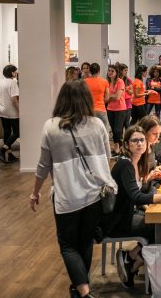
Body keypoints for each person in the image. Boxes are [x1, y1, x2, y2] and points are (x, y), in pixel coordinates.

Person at [29, 81, 117, 298]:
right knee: (85, 242)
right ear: (86, 99)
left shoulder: (51, 127)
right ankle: (80, 287)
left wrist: (35, 192)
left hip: (67, 196)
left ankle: (83, 291)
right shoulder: (97, 125)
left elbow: (43, 166)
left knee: (68, 245)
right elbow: (107, 158)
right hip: (94, 194)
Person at [102, 126, 161, 288]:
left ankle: (132, 258)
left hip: (127, 213)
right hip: (117, 221)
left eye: (142, 140)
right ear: (127, 145)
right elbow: (136, 196)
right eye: (135, 141)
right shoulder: (125, 165)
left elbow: (136, 192)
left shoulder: (135, 161)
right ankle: (133, 260)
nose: (140, 144)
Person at [0, 64, 20, 163]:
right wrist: (19, 110)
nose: (16, 72)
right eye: (15, 71)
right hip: (11, 111)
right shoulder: (13, 83)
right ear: (12, 72)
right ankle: (2, 150)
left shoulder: (0, 82)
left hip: (1, 110)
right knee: (17, 132)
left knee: (7, 132)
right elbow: (14, 100)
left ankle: (9, 155)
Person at [106, 65, 127, 155]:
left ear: (116, 72)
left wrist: (109, 97)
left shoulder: (120, 81)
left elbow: (117, 97)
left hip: (120, 109)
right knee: (114, 130)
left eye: (112, 71)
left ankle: (120, 147)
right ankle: (117, 147)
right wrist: (110, 97)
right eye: (109, 71)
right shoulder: (107, 82)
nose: (110, 72)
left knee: (118, 130)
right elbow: (106, 98)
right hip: (110, 109)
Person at [83, 63, 110, 133]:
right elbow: (107, 98)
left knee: (89, 131)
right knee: (104, 130)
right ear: (99, 71)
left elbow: (82, 96)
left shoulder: (84, 81)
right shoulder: (104, 81)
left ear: (90, 71)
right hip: (101, 109)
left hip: (88, 110)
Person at [118, 63, 134, 129]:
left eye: (127, 70)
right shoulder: (117, 80)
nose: (126, 72)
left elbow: (132, 93)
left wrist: (127, 90)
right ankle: (120, 138)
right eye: (125, 70)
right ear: (121, 71)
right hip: (119, 104)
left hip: (127, 103)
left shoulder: (129, 80)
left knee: (127, 123)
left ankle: (128, 137)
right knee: (120, 123)